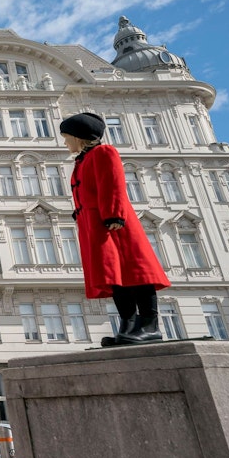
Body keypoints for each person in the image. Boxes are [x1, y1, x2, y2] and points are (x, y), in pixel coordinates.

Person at [61, 112, 171, 344]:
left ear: (79, 137)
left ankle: (150, 326)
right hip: (96, 224)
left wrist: (114, 214)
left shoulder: (103, 152)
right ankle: (128, 326)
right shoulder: (82, 160)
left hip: (113, 221)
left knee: (135, 270)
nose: (65, 141)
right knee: (114, 276)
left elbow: (113, 183)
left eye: (66, 136)